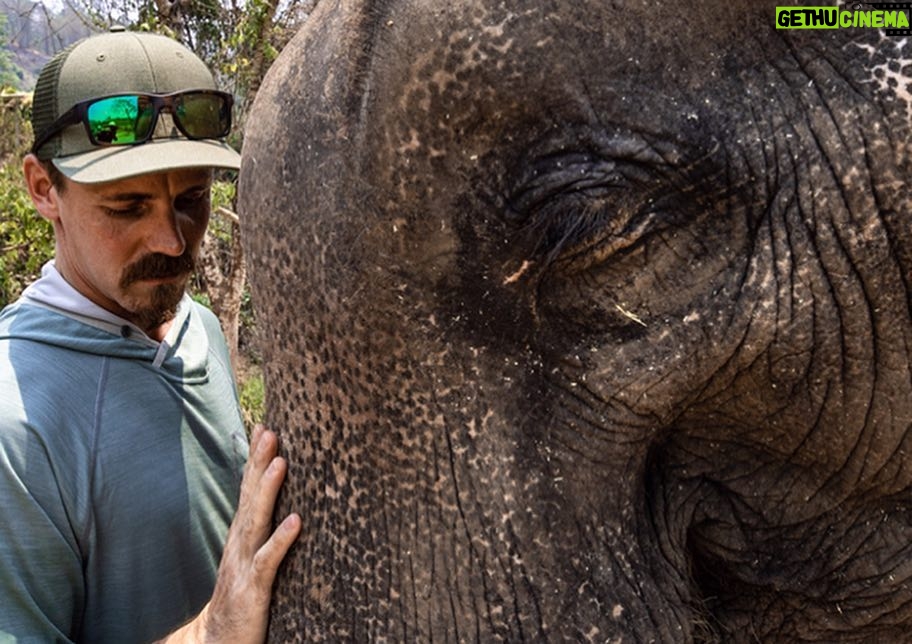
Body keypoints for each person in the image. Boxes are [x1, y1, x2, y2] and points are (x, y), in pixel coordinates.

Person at [0, 26, 301, 643]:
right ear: (41, 189)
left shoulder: (200, 328)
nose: (171, 241)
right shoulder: (14, 428)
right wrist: (212, 633)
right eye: (127, 207)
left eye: (192, 198)